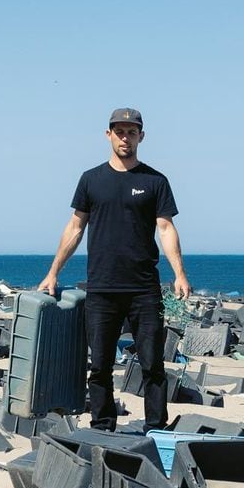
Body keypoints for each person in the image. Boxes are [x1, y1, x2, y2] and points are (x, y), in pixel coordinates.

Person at [37, 107, 190, 431]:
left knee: (152, 365)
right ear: (109, 135)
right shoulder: (91, 180)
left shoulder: (155, 181)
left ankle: (156, 430)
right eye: (119, 131)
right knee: (100, 366)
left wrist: (179, 274)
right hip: (102, 288)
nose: (125, 137)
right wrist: (53, 273)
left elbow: (165, 228)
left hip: (144, 289)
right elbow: (75, 228)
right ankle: (103, 427)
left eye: (131, 132)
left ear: (141, 136)